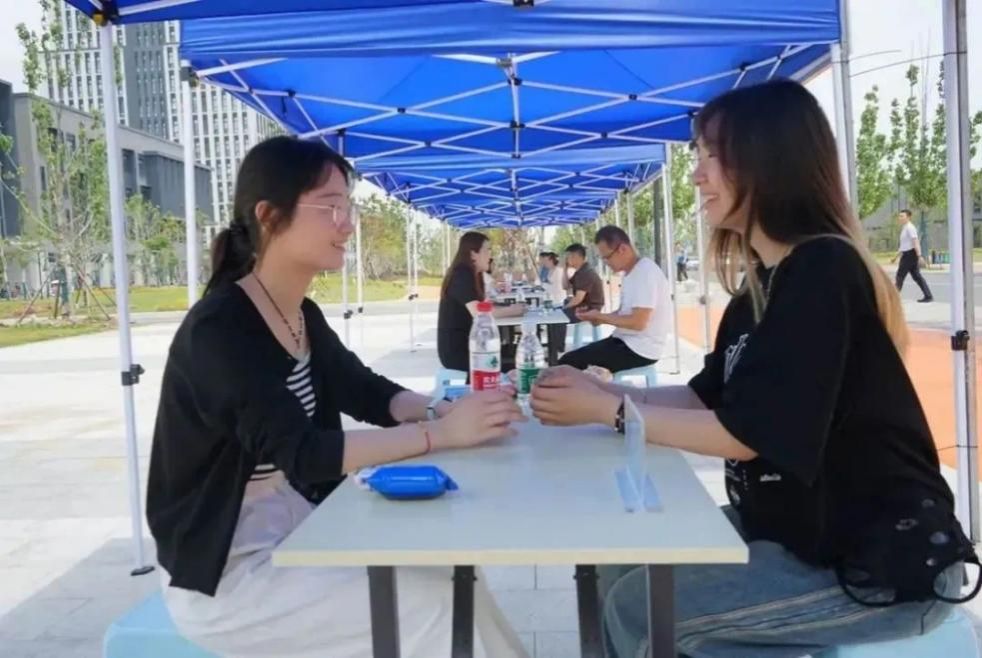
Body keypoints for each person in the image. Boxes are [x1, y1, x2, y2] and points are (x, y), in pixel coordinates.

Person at [530, 80, 974, 657]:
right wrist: (596, 390)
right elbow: (705, 398)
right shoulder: (761, 286)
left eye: (712, 156)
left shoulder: (823, 270)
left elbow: (748, 435)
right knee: (621, 556)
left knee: (641, 608)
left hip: (882, 564)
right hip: (796, 534)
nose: (697, 176)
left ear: (770, 161)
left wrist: (608, 410)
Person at [147, 136, 529, 658]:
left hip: (295, 524)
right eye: (330, 207)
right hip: (225, 571)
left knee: (456, 574)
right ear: (269, 216)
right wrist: (441, 434)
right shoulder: (220, 329)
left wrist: (443, 409)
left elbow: (366, 390)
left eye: (348, 208)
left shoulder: (300, 314)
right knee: (433, 606)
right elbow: (305, 452)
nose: (347, 224)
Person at [557, 226, 671, 374]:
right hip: (625, 341)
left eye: (607, 257)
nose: (605, 262)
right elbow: (624, 313)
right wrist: (598, 318)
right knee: (568, 361)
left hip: (640, 349)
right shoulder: (631, 273)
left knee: (568, 364)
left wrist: (601, 316)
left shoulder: (644, 272)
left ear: (622, 249)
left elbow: (638, 322)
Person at [438, 232, 525, 373]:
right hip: (459, 353)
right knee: (519, 364)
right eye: (488, 250)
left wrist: (507, 307)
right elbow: (479, 312)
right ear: (473, 254)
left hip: (474, 345)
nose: (490, 256)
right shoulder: (461, 275)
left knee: (517, 353)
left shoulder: (474, 275)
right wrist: (513, 310)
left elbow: (484, 306)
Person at [891, 209, 933, 302]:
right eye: (899, 216)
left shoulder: (910, 228)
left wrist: (919, 256)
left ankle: (894, 299)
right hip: (908, 254)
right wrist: (896, 257)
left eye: (902, 216)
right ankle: (928, 296)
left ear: (909, 217)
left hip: (910, 255)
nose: (900, 218)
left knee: (900, 276)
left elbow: (915, 241)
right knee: (917, 276)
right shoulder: (905, 228)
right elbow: (904, 246)